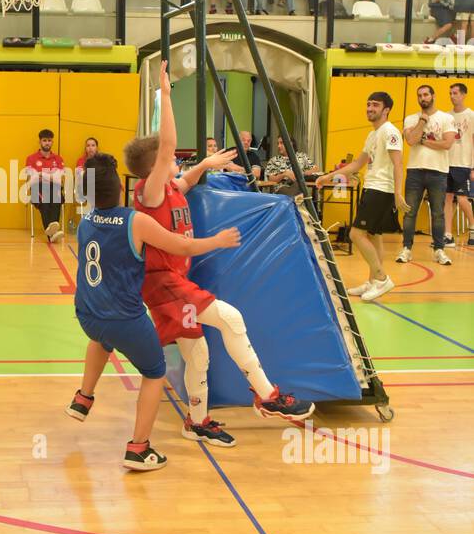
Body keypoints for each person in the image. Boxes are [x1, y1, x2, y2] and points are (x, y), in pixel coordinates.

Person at [123, 61, 314, 449]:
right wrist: (165, 93)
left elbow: (185, 177)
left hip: (173, 284)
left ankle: (197, 421)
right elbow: (167, 148)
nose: (177, 161)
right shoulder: (149, 192)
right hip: (164, 286)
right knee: (231, 317)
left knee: (199, 354)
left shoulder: (172, 187)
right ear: (156, 165)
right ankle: (268, 396)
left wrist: (206, 165)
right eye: (171, 158)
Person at [67, 151, 240, 471]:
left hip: (87, 315)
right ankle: (138, 448)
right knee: (154, 372)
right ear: (120, 186)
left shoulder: (85, 222)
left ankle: (83, 398)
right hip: (124, 319)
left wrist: (198, 169)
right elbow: (184, 246)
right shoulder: (136, 221)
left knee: (103, 338)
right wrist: (217, 240)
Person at [316, 92, 408, 303]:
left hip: (382, 189)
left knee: (356, 234)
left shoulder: (390, 132)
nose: (369, 108)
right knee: (374, 236)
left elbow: (398, 164)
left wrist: (397, 194)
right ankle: (372, 281)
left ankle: (382, 278)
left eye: (375, 105)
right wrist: (328, 177)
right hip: (371, 187)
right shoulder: (372, 134)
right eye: (368, 104)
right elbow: (357, 164)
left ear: (386, 110)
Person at [397, 83, 455, 265]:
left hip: (438, 172)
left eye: (426, 95)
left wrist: (422, 140)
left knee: (438, 213)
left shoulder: (446, 118)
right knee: (409, 212)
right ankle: (406, 248)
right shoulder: (411, 119)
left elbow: (447, 144)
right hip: (415, 171)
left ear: (433, 96)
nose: (423, 98)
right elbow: (411, 140)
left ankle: (439, 250)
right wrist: (422, 121)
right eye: (420, 96)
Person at [443, 81, 474, 249]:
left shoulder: (471, 115)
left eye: (455, 93)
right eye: (450, 93)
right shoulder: (447, 117)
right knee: (447, 198)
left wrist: (473, 167)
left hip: (463, 164)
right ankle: (448, 235)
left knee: (462, 199)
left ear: (463, 94)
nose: (452, 96)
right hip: (447, 163)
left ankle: (473, 227)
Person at [24, 130, 65, 242]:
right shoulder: (31, 159)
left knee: (56, 197)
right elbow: (30, 181)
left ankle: (51, 233)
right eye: (44, 140)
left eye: (49, 141)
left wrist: (42, 175)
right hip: (38, 189)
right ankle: (53, 234)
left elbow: (60, 182)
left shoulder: (58, 159)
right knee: (45, 198)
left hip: (55, 188)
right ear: (40, 142)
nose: (47, 143)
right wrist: (51, 177)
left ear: (52, 142)